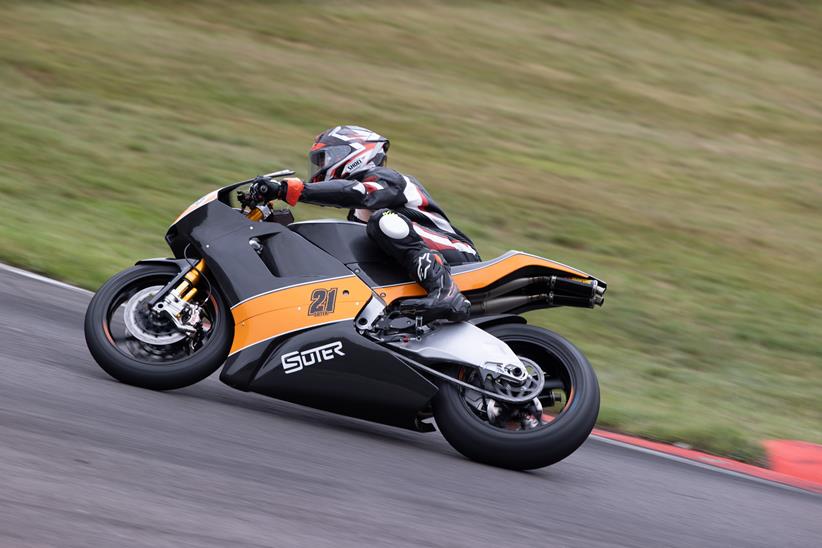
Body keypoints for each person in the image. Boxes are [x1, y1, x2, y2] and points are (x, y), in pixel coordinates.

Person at [249, 125, 480, 322]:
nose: (320, 168)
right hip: (420, 259)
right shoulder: (358, 214)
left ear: (355, 153)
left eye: (323, 159)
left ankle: (446, 292)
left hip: (457, 252)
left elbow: (357, 192)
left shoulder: (388, 179)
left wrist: (288, 189)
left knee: (384, 221)